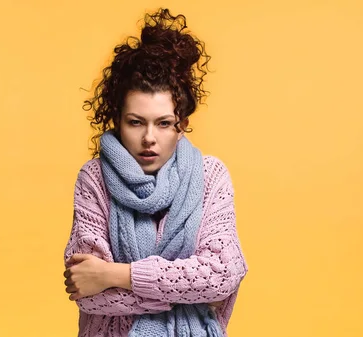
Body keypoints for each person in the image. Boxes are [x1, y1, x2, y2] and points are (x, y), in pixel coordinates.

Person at [63, 8, 248, 337]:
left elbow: (222, 274)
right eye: (136, 122)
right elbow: (87, 292)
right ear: (117, 121)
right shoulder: (94, 179)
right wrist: (184, 291)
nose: (149, 137)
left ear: (182, 126)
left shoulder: (210, 177)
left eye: (163, 123)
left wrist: (116, 275)